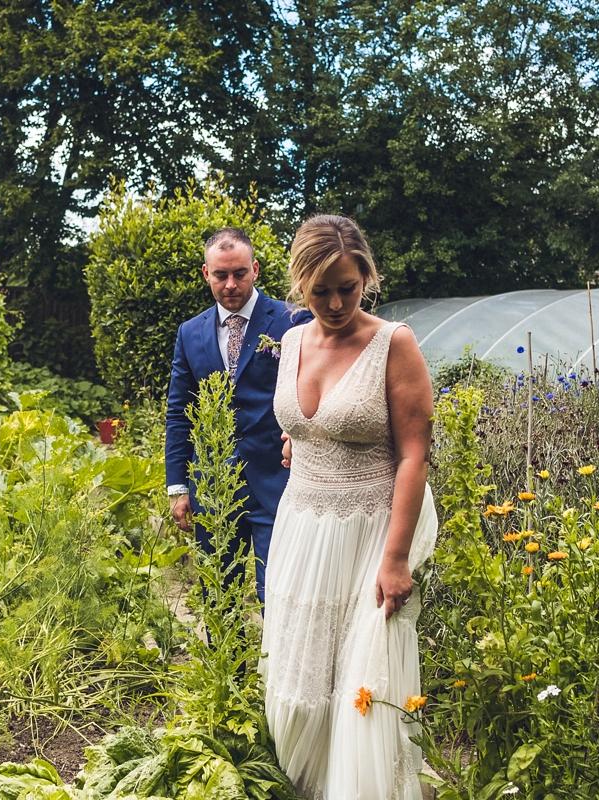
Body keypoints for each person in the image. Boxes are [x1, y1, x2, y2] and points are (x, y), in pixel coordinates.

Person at [260, 214, 438, 800]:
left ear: (367, 277)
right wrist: (301, 438)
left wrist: (395, 558)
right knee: (301, 671)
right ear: (299, 284)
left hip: (372, 533)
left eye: (348, 287)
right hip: (302, 528)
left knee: (364, 677)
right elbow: (306, 422)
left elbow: (414, 455)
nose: (335, 302)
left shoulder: (394, 343)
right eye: (321, 290)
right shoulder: (290, 341)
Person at [165, 227, 309, 603]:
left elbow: (316, 389)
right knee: (218, 600)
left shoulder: (293, 321)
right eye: (220, 275)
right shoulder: (189, 333)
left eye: (239, 273)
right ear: (205, 274)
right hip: (213, 486)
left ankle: (276, 665)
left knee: (277, 596)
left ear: (256, 269)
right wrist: (178, 487)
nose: (230, 284)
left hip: (277, 482)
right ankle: (227, 666)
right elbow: (179, 412)